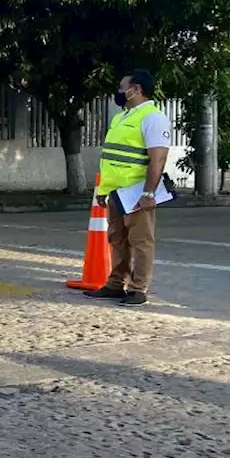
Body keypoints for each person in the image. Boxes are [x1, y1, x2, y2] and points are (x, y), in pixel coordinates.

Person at [84, 69, 171, 306]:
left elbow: (158, 159)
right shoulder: (121, 117)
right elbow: (112, 157)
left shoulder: (153, 118)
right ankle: (115, 284)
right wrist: (103, 191)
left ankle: (138, 289)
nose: (119, 92)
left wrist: (148, 193)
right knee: (117, 240)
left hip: (136, 192)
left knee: (141, 241)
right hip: (114, 192)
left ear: (137, 89)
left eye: (123, 87)